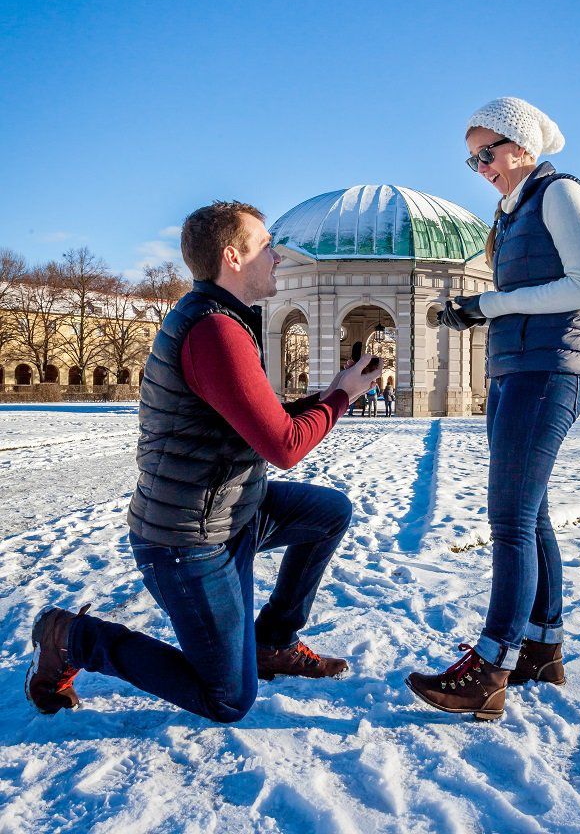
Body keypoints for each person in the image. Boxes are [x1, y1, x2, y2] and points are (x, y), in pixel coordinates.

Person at [26, 201, 382, 723]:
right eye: (266, 246)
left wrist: (329, 393)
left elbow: (256, 419)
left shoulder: (224, 321)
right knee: (228, 700)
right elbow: (283, 447)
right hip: (187, 540)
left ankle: (272, 642)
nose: (278, 258)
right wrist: (342, 398)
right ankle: (74, 637)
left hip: (233, 510)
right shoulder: (214, 331)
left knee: (329, 513)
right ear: (232, 256)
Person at [406, 96, 580, 720]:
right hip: (515, 371)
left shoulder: (559, 193)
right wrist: (478, 308)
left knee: (510, 520)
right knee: (532, 513)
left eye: (486, 154)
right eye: (472, 160)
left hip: (549, 372)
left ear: (521, 145)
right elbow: (525, 294)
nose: (480, 167)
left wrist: (491, 304)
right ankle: (542, 649)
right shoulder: (512, 209)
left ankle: (489, 668)